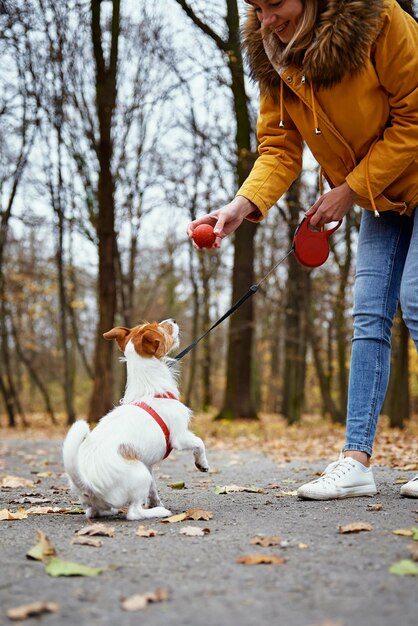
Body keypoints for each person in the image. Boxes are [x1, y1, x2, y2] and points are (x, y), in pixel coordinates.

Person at [187, 0, 418, 500]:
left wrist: (348, 189)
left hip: (392, 176)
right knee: (369, 317)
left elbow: (415, 118)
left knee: (416, 300)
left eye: (276, 4)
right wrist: (240, 206)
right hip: (382, 195)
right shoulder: (274, 53)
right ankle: (355, 462)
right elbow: (279, 146)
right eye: (256, 6)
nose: (266, 18)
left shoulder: (381, 22)